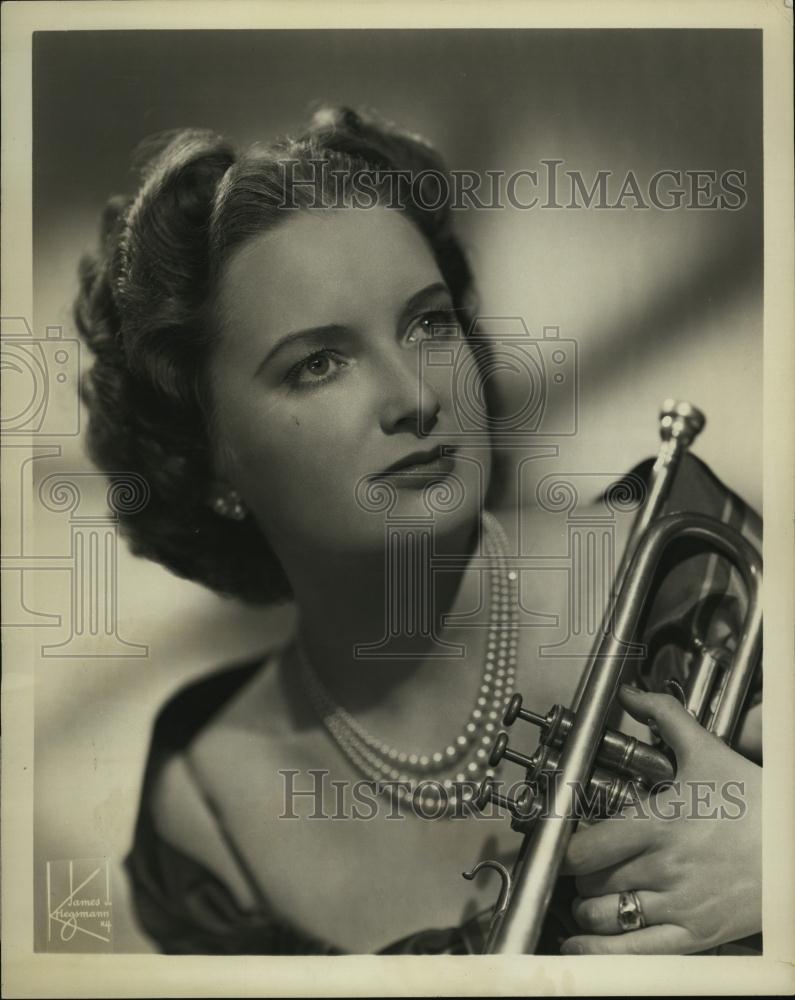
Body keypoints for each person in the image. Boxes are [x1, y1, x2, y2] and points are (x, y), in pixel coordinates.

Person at [73, 105, 763, 956]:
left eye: (428, 324)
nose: (414, 396)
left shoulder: (694, 573)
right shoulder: (204, 808)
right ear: (209, 460)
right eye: (318, 363)